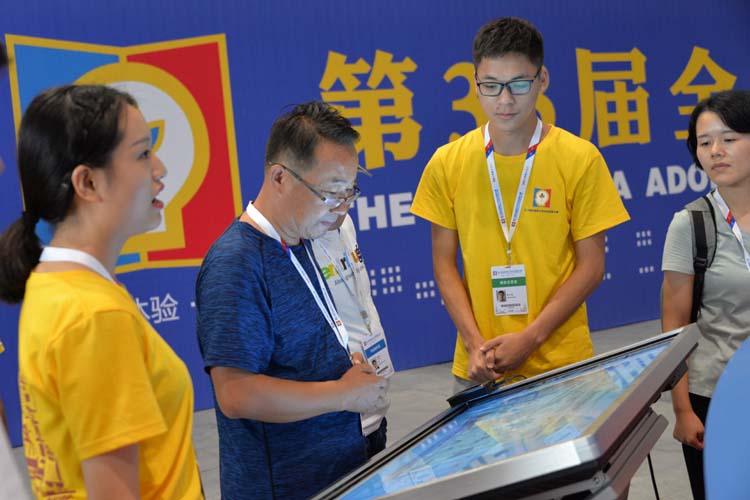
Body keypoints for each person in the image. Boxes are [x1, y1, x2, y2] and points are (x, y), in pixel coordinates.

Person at [0, 84, 203, 499]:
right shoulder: (92, 314)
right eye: (143, 154)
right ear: (88, 182)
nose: (161, 168)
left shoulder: (59, 287)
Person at [411, 17, 629, 392]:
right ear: (475, 83)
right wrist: (474, 343)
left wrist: (531, 338)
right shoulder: (447, 163)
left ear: (542, 79)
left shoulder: (579, 158)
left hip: (562, 363)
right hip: (480, 365)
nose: (505, 100)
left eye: (519, 84)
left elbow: (592, 267)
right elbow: (444, 265)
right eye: (491, 86)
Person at [195, 101, 388, 499]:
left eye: (349, 192)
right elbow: (236, 394)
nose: (341, 210)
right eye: (330, 193)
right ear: (279, 177)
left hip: (338, 471)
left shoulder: (304, 240)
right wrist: (342, 394)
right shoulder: (237, 263)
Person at [661, 89, 750, 500]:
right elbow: (674, 327)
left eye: (729, 139)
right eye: (704, 142)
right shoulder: (691, 224)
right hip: (717, 398)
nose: (716, 151)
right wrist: (682, 410)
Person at [312, 212, 395, 458]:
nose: (344, 202)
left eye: (351, 193)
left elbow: (362, 297)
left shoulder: (345, 222)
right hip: (339, 418)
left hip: (374, 402)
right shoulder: (298, 240)